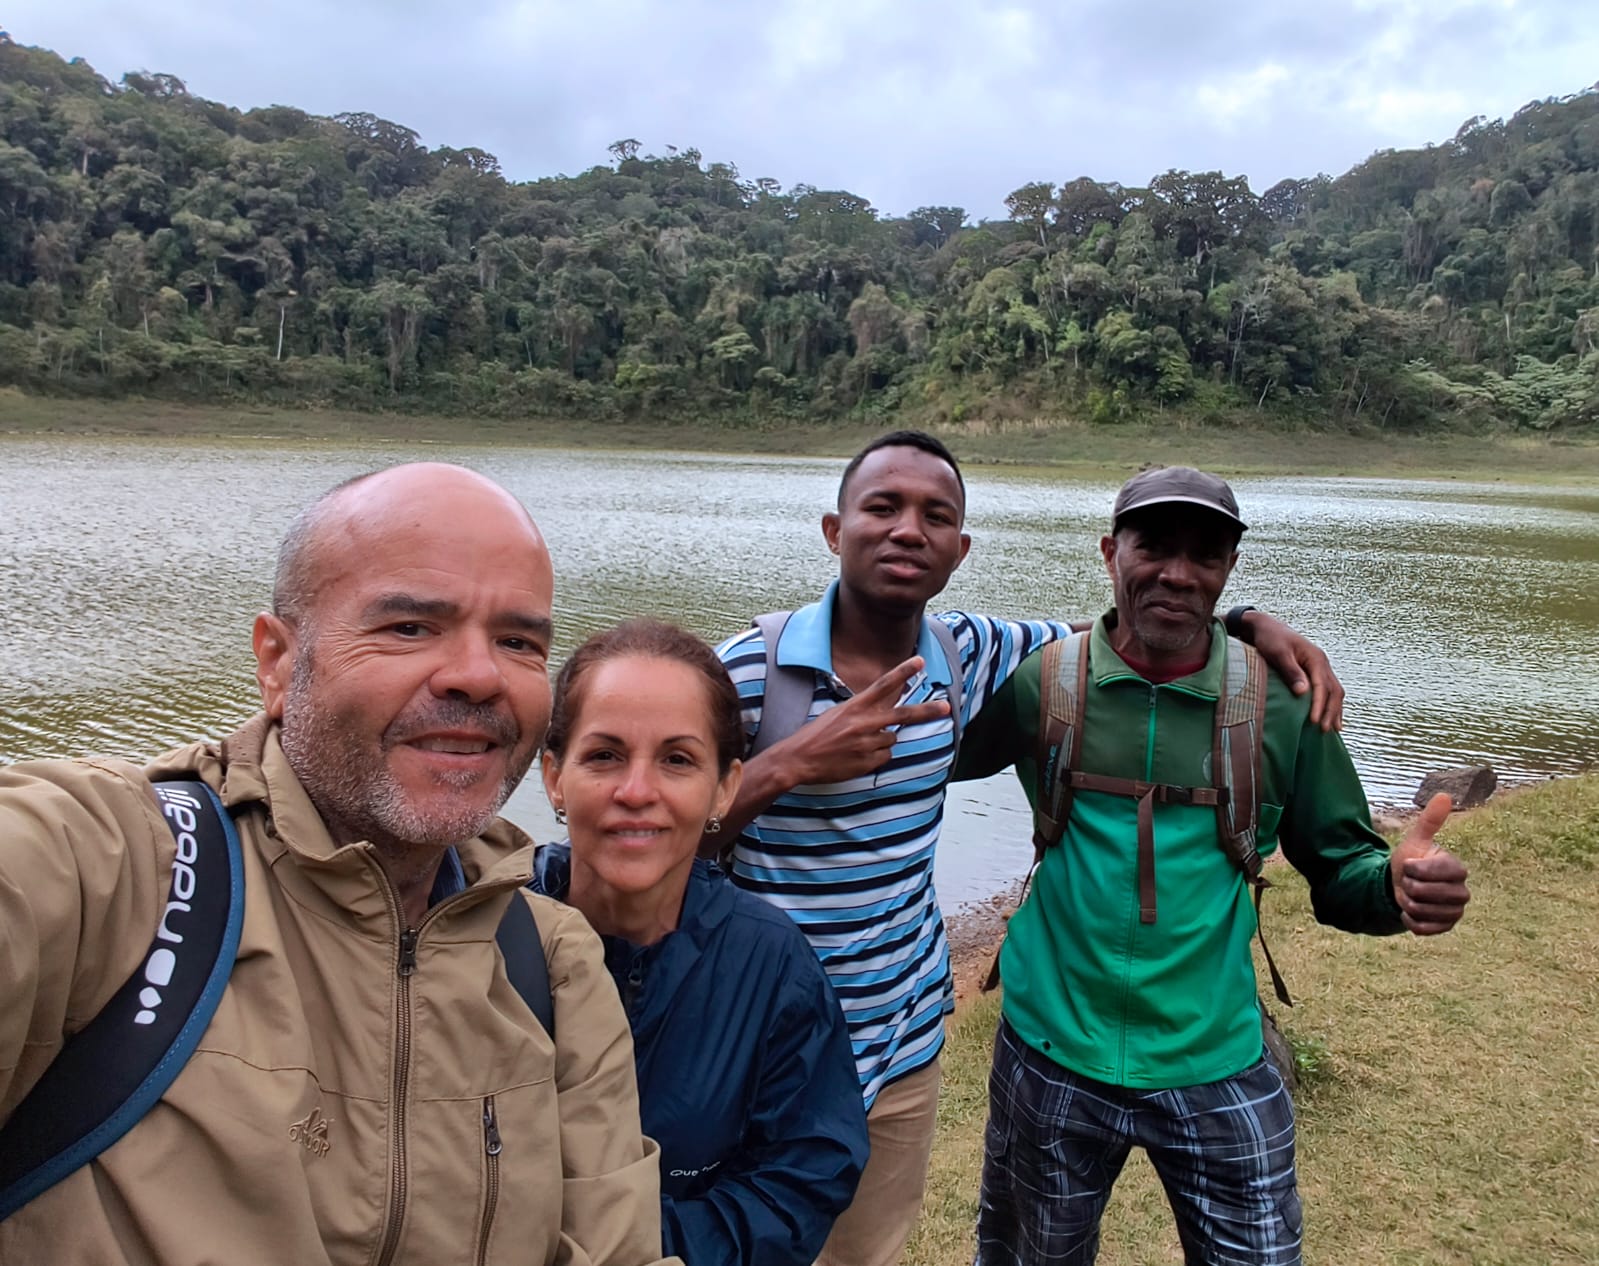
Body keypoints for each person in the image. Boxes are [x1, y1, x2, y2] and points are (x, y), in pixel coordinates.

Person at [0, 464, 675, 1266]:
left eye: (518, 642)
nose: (478, 676)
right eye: (410, 627)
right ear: (278, 662)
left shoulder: (552, 967)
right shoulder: (115, 864)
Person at [711, 431, 1345, 1266]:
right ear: (834, 530)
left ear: (960, 549)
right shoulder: (745, 671)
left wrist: (1245, 623)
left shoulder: (970, 653)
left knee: (863, 1252)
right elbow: (641, 839)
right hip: (761, 1038)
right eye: (882, 507)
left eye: (935, 516)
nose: (907, 530)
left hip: (900, 1046)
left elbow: (1126, 633)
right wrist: (787, 765)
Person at [956, 465, 1473, 1265]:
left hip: (1217, 1057)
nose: (1177, 573)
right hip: (1048, 1051)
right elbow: (918, 757)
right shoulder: (1043, 682)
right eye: (1153, 548)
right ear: (1110, 553)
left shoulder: (1282, 702)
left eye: (1204, 555)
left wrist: (1395, 889)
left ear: (1228, 568)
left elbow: (1340, 867)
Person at [534, 618, 868, 1266]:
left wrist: (631, 1247)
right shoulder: (485, 936)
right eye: (604, 755)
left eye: (677, 760)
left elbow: (802, 1177)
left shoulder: (771, 966)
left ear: (724, 788)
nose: (637, 792)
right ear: (553, 776)